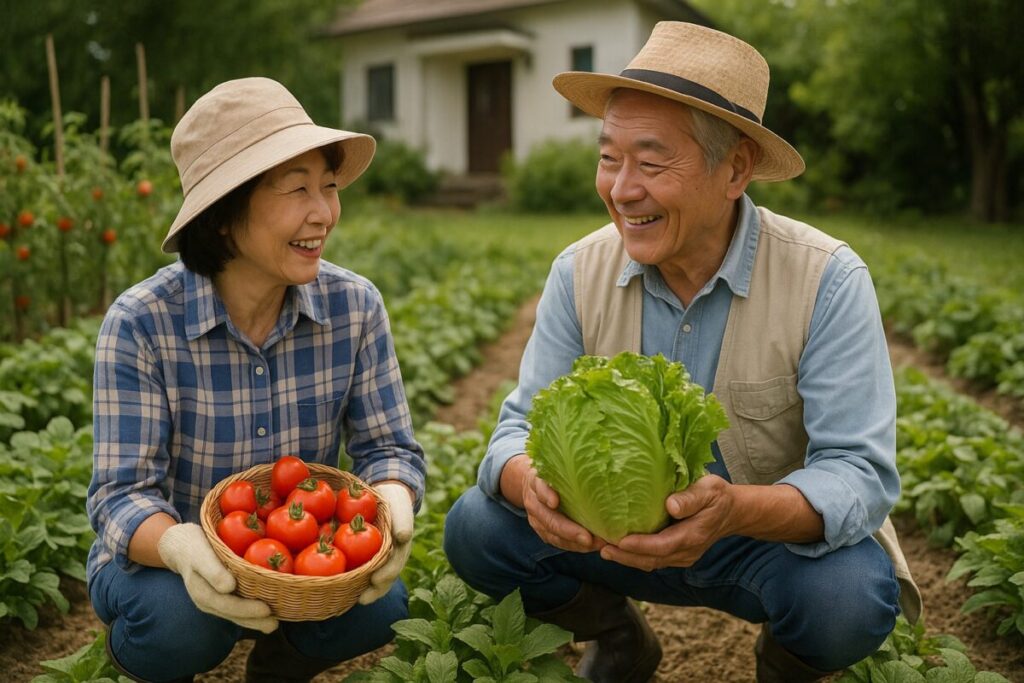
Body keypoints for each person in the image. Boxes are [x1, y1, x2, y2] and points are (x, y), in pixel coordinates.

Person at [444, 22, 921, 683]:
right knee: (477, 528)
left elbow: (860, 475)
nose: (621, 189)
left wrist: (734, 510)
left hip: (757, 546)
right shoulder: (578, 272)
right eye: (609, 158)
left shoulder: (826, 280)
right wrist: (532, 485)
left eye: (651, 162)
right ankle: (619, 637)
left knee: (848, 598)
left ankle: (783, 666)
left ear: (736, 169)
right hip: (605, 533)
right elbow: (514, 431)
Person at [86, 77, 426, 683]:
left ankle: (279, 666)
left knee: (384, 607)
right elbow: (119, 496)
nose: (324, 213)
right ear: (223, 215)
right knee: (178, 624)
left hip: (299, 562)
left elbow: (388, 447)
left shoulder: (355, 307)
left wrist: (394, 498)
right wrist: (180, 548)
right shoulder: (141, 323)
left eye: (328, 186)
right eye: (297, 189)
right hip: (167, 573)